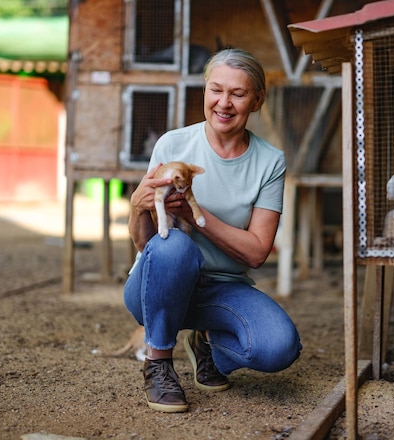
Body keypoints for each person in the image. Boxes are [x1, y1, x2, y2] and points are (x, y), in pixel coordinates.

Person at [123, 48, 302, 413]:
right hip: (157, 285)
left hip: (224, 290)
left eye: (238, 94)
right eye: (216, 90)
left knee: (279, 347)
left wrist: (195, 214)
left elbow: (256, 252)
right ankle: (158, 363)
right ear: (205, 90)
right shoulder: (173, 145)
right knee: (174, 247)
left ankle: (208, 348)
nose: (224, 103)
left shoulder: (270, 161)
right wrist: (136, 206)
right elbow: (147, 245)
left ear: (257, 100)